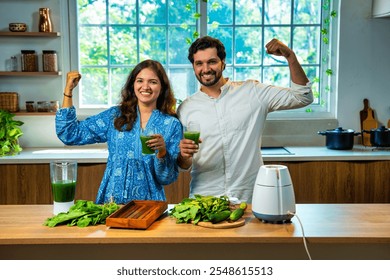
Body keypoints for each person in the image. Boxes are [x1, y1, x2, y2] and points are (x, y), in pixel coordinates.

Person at [176, 36, 313, 203]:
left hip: (249, 196)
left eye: (212, 61)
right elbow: (184, 164)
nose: (206, 69)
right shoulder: (186, 108)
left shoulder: (252, 92)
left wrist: (290, 56)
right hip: (204, 198)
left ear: (223, 62)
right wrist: (183, 155)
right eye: (199, 63)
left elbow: (302, 97)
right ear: (193, 66)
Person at [56, 60, 183, 204]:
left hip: (149, 206)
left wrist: (162, 152)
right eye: (140, 81)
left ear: (162, 87)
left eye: (153, 82)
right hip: (111, 202)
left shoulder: (171, 125)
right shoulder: (115, 116)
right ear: (132, 85)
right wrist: (68, 91)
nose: (145, 86)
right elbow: (70, 134)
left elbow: (166, 178)